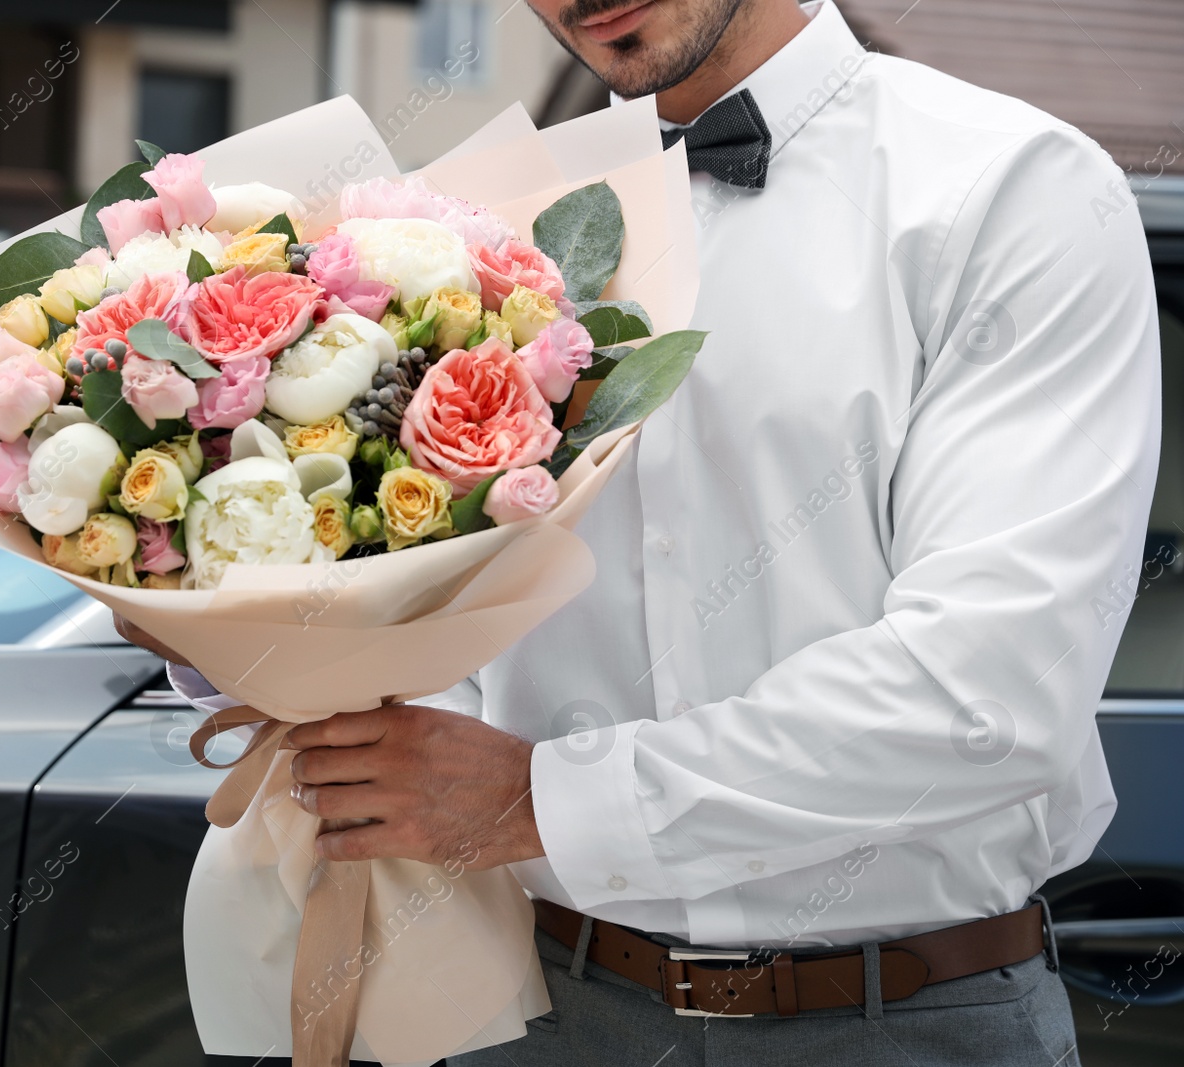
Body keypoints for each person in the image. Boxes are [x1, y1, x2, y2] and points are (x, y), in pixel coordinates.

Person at [120, 0, 1161, 1062]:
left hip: (910, 1021)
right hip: (535, 1007)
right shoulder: (479, 230)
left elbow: (988, 691)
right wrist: (232, 633)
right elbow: (440, 621)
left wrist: (543, 801)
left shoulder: (1011, 189)